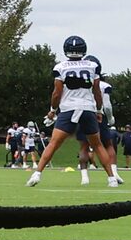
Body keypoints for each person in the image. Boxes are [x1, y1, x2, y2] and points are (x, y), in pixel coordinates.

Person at [27, 35, 123, 190]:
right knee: (98, 145)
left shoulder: (60, 67)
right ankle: (111, 178)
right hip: (87, 108)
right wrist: (99, 110)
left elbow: (56, 93)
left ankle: (37, 173)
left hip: (68, 109)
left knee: (53, 143)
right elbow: (97, 91)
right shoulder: (92, 66)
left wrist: (52, 110)